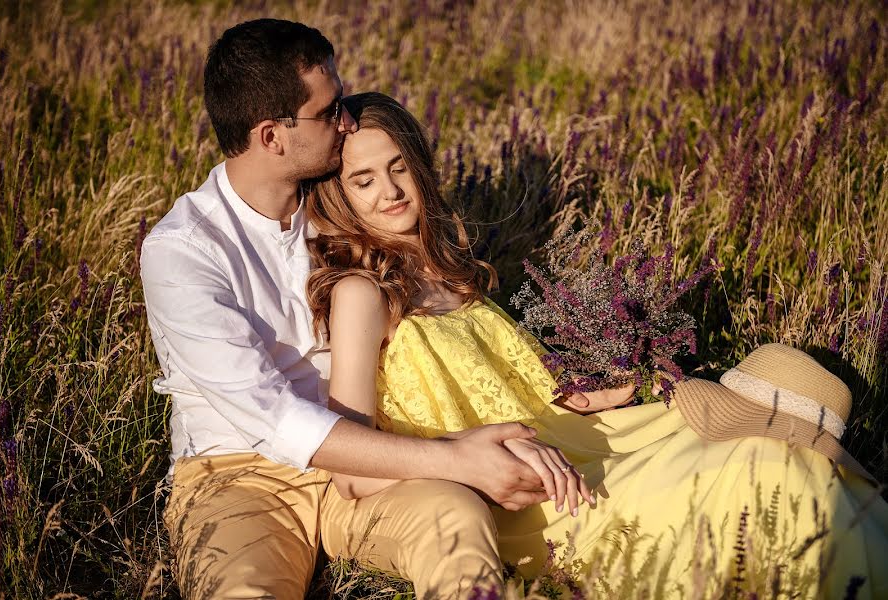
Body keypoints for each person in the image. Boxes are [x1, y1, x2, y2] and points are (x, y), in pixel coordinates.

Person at [306, 92, 888, 598]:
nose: (390, 190)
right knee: (761, 473)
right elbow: (350, 468)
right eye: (364, 180)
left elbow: (504, 385)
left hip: (569, 441)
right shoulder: (364, 292)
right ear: (338, 196)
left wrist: (585, 396)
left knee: (784, 434)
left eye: (400, 167)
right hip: (529, 496)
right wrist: (466, 465)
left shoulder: (444, 266)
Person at [140, 19, 590, 600]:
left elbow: (444, 306)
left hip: (369, 463)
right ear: (271, 136)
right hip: (241, 480)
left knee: (453, 518)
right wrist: (456, 456)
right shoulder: (183, 252)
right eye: (330, 112)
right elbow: (274, 419)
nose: (347, 120)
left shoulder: (339, 203)